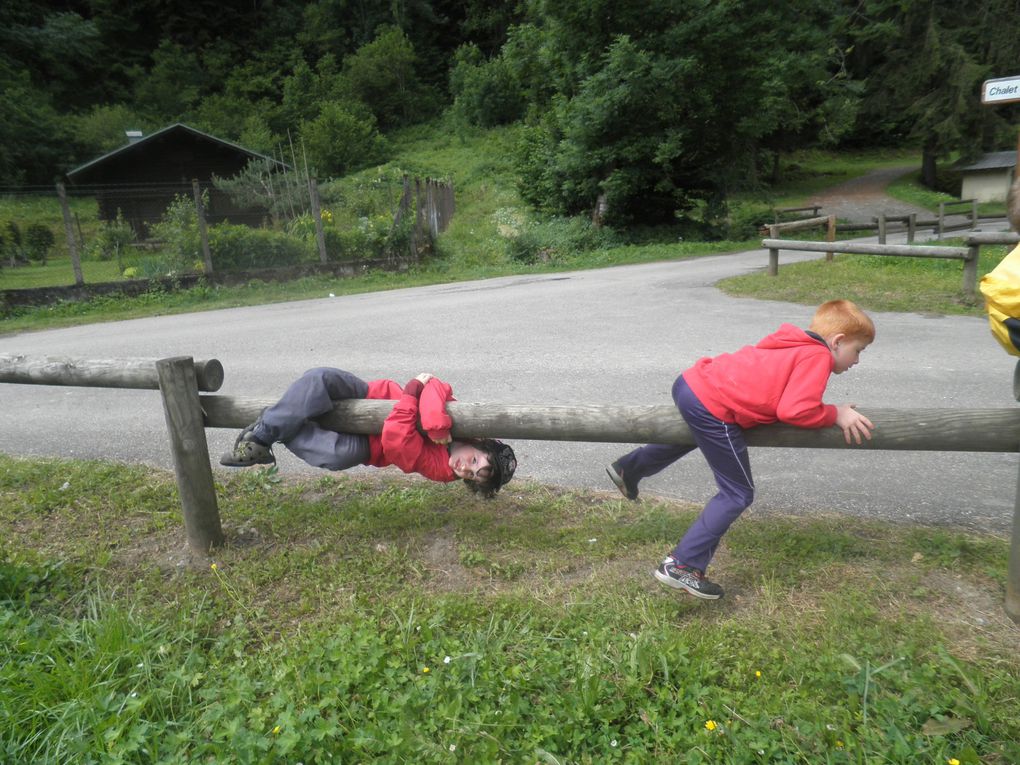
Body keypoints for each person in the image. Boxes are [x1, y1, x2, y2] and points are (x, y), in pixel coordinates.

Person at [606, 299, 876, 599]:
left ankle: (628, 468)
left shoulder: (791, 343)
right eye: (858, 350)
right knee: (737, 493)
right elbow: (795, 410)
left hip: (691, 384)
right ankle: (682, 565)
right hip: (712, 404)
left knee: (692, 436)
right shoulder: (817, 356)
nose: (857, 361)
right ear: (837, 342)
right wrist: (834, 414)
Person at [220, 368, 516, 497]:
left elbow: (396, 441)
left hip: (370, 447)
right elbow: (437, 386)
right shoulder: (465, 422)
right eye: (476, 463)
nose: (466, 470)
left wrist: (413, 391)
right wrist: (435, 422)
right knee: (319, 378)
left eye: (474, 477)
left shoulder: (442, 471)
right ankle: (261, 437)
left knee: (336, 455)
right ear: (480, 444)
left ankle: (271, 426)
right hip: (370, 395)